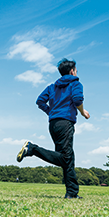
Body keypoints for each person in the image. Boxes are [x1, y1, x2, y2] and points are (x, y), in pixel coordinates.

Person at [16, 58, 90, 199]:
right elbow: (77, 99)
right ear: (72, 71)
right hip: (65, 123)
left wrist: (51, 112)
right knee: (65, 158)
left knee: (67, 158)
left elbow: (40, 101)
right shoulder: (75, 83)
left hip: (53, 124)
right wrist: (82, 111)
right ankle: (32, 149)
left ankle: (72, 193)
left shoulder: (52, 86)